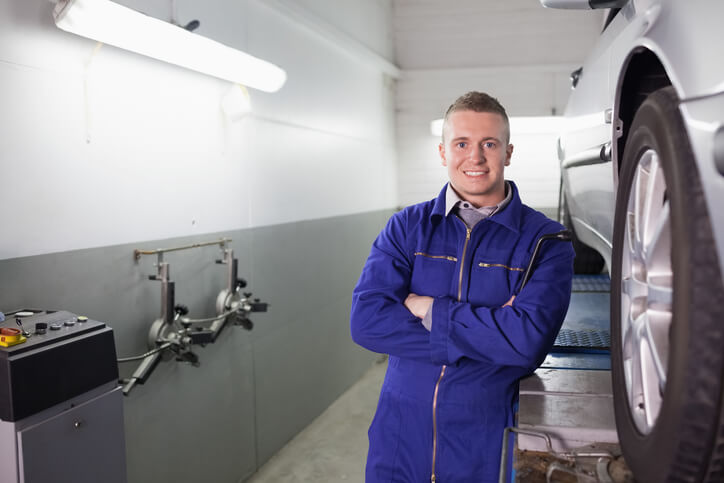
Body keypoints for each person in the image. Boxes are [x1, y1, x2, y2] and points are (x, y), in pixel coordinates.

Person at [350, 91, 574, 482]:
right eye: (462, 144)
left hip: (484, 441)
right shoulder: (407, 227)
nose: (475, 157)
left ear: (508, 152)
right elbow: (367, 321)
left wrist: (428, 310)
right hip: (399, 437)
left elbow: (527, 344)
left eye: (489, 143)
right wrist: (489, 333)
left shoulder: (546, 242)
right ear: (442, 152)